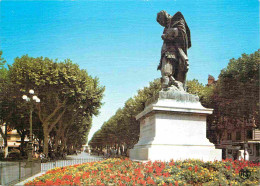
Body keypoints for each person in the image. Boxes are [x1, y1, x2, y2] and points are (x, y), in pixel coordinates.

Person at [157, 11, 191, 90]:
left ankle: (174, 84)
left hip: (172, 52)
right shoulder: (166, 28)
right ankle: (173, 83)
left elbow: (179, 34)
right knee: (165, 72)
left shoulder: (176, 22)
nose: (162, 24)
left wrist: (167, 35)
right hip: (166, 51)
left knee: (166, 71)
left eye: (161, 21)